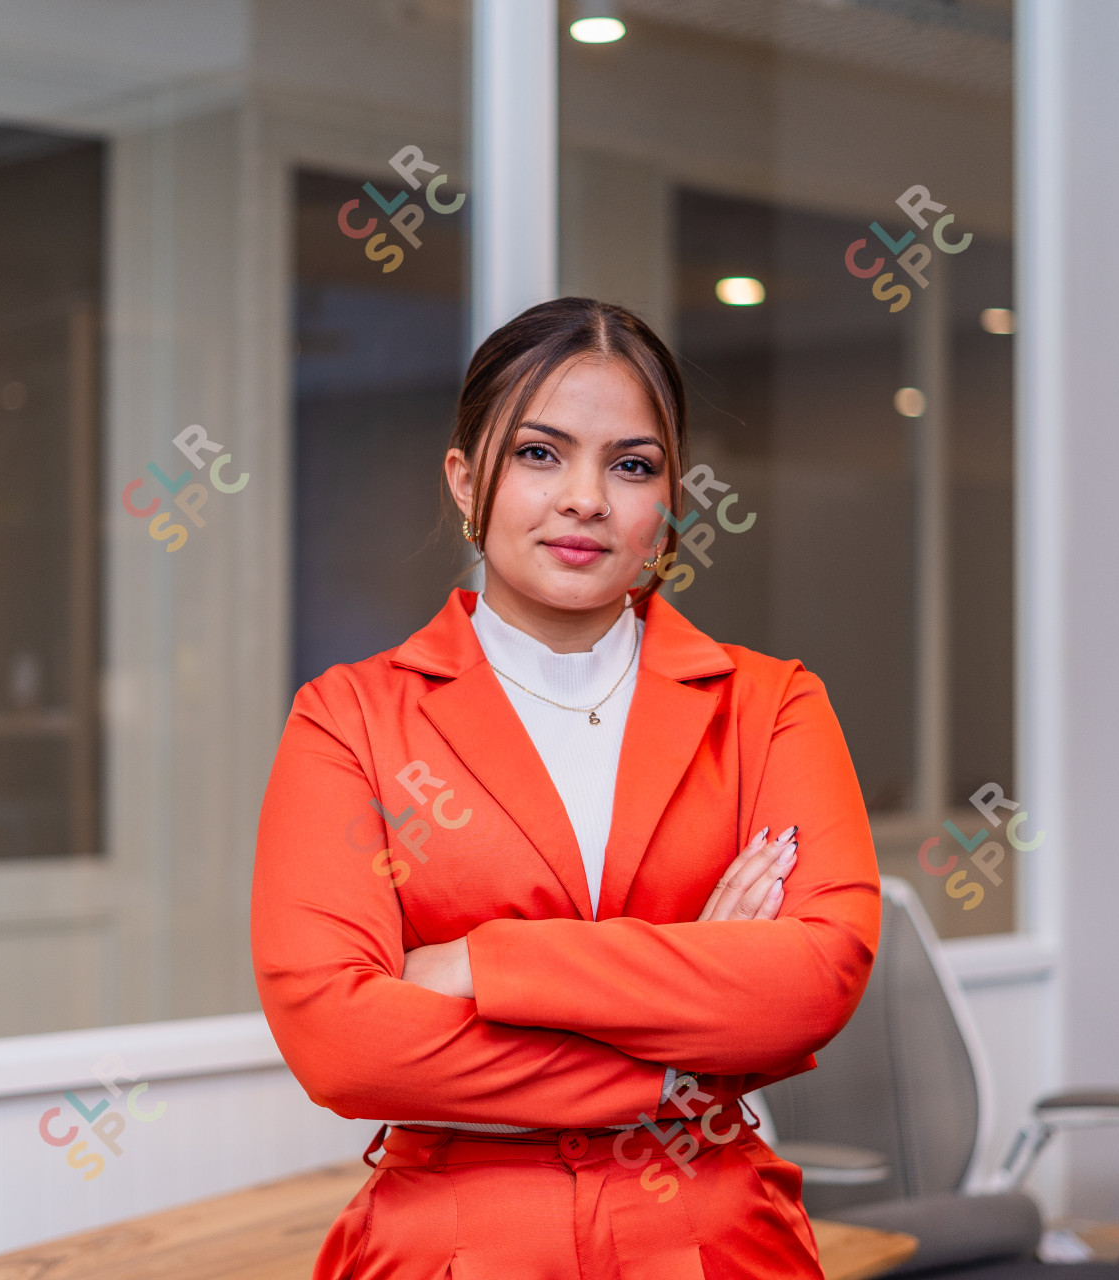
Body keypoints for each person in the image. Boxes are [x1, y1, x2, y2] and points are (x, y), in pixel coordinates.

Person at [251, 297, 880, 1279]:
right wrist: (683, 1055)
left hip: (714, 1245)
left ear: (667, 499)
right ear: (467, 481)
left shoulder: (769, 705)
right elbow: (341, 1042)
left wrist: (481, 963)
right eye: (540, 453)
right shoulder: (351, 718)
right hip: (452, 1249)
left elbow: (813, 980)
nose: (585, 497)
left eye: (631, 464)